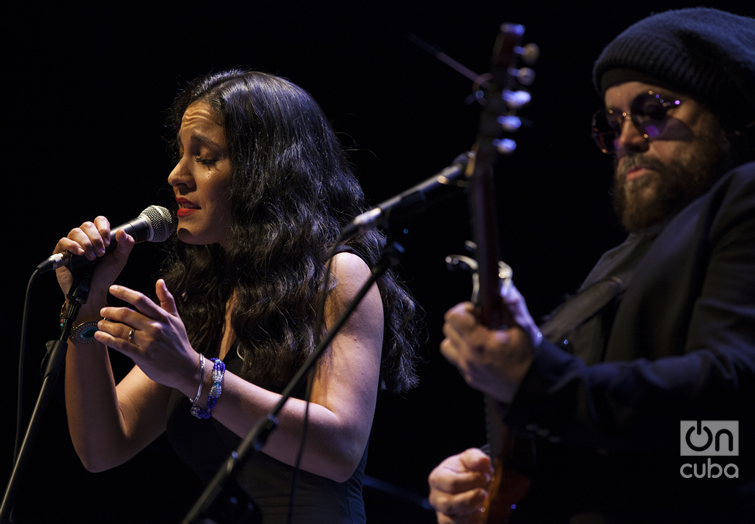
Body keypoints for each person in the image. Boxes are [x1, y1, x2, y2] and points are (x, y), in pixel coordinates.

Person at [428, 8, 755, 523]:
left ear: (731, 116)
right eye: (612, 122)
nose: (626, 139)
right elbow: (594, 428)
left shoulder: (745, 198)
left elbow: (725, 417)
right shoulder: (618, 262)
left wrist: (539, 382)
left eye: (654, 109)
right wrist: (492, 484)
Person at [53, 70, 418, 523]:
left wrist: (195, 374)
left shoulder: (338, 274)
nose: (176, 176)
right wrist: (84, 307)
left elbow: (339, 449)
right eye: (180, 155)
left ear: (264, 172)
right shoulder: (201, 296)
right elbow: (102, 447)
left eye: (204, 157)